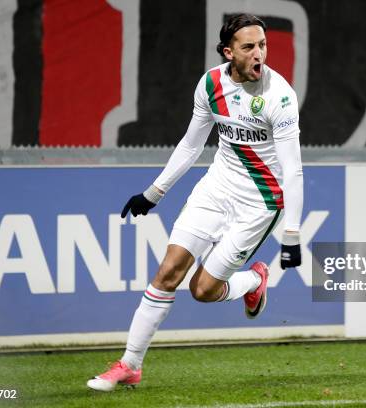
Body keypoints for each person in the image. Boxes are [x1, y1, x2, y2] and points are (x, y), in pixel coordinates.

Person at [87, 13, 303, 392]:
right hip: (216, 188)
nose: (259, 55)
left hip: (259, 203)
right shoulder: (210, 84)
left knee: (203, 291)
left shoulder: (279, 96)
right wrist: (153, 193)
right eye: (249, 47)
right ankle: (129, 364)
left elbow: (292, 171)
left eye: (263, 45)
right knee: (168, 272)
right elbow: (191, 144)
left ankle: (255, 278)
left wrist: (292, 233)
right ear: (228, 51)